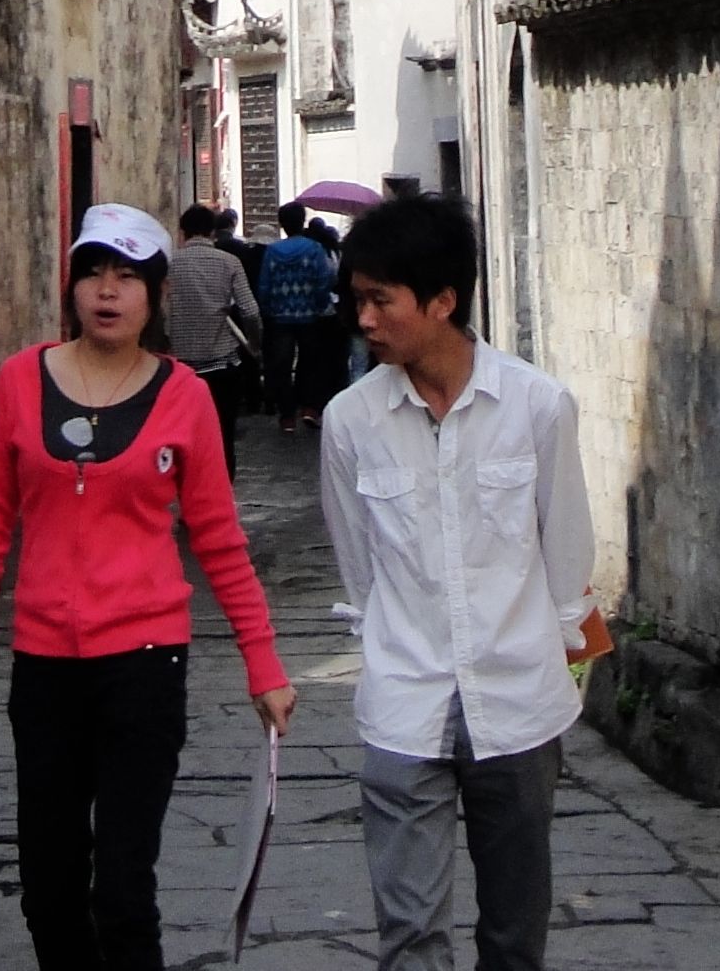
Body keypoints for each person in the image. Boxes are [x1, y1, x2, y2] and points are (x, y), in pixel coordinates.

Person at [0, 204, 297, 971]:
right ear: (73, 285)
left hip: (145, 663)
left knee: (124, 891)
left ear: (156, 294)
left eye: (128, 277)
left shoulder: (184, 396)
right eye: (94, 273)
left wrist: (264, 664)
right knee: (48, 887)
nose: (108, 291)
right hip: (45, 666)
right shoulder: (19, 380)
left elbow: (219, 540)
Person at [316, 197, 599, 971]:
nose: (364, 319)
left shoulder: (537, 407)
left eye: (381, 300)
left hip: (518, 704)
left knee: (514, 934)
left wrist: (557, 666)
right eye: (357, 299)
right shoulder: (350, 422)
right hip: (404, 704)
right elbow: (360, 569)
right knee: (409, 932)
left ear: (442, 301)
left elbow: (567, 557)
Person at [164, 205, 264, 470]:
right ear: (212, 232)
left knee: (182, 435)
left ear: (182, 232)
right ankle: (221, 486)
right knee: (223, 434)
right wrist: (254, 344)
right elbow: (250, 311)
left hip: (180, 367)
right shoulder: (229, 262)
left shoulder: (169, 265)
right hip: (222, 364)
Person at [255, 202, 339, 432]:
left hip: (280, 317)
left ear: (282, 224)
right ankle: (309, 407)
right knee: (311, 362)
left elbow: (264, 284)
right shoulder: (314, 249)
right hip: (309, 315)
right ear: (302, 221)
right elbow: (323, 279)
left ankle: (287, 415)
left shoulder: (272, 251)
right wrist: (320, 304)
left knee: (282, 365)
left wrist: (267, 309)